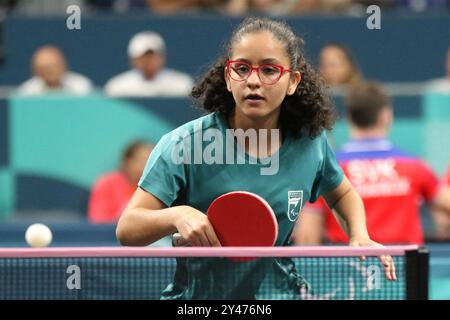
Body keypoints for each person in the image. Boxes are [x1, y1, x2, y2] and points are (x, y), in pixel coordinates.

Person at [116, 18, 395, 300]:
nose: (253, 81)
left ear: (292, 82)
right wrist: (178, 214)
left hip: (278, 296)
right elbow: (128, 228)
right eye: (241, 68)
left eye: (270, 70)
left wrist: (358, 233)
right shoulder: (184, 145)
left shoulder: (310, 142)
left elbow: (342, 193)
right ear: (228, 77)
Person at [293, 81, 450, 245]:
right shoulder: (414, 167)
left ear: (349, 116)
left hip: (348, 267)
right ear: (386, 115)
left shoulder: (328, 168)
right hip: (405, 267)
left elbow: (307, 236)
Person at [104, 31, 194, 97]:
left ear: (162, 57)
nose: (148, 61)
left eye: (152, 56)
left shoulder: (182, 84)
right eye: (143, 57)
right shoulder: (117, 87)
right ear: (133, 60)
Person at [88, 141, 153, 223]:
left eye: (151, 161)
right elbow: (98, 222)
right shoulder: (106, 183)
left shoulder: (154, 187)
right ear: (127, 161)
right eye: (142, 160)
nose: (147, 165)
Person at [17, 45, 93, 96]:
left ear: (63, 65)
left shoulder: (81, 86)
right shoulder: (26, 92)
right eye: (44, 68)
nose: (50, 71)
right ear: (36, 71)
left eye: (53, 66)